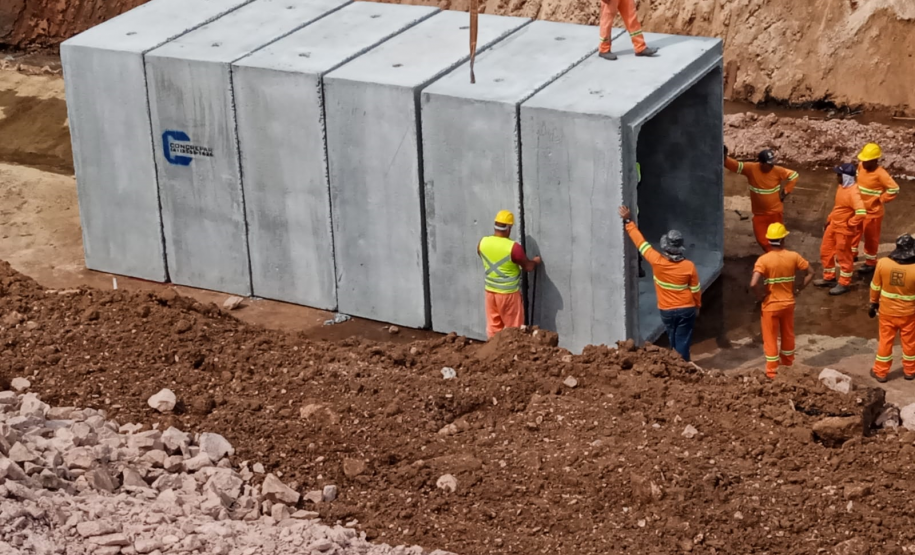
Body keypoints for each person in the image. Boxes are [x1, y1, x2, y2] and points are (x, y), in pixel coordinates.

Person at [618, 205, 700, 361]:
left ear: (665, 247)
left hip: (667, 310)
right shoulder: (689, 266)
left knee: (673, 338)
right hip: (686, 309)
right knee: (682, 340)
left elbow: (640, 242)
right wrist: (697, 306)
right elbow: (695, 289)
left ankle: (677, 363)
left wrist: (628, 220)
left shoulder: (656, 261)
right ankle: (683, 365)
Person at [749, 223, 814, 379]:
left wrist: (760, 297)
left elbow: (753, 283)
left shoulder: (764, 260)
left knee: (770, 338)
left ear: (769, 241)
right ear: (783, 238)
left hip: (770, 305)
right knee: (788, 334)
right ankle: (788, 366)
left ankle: (772, 373)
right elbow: (810, 273)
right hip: (788, 303)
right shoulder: (793, 256)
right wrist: (798, 289)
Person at [477, 210, 541, 339]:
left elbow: (483, 256)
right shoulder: (513, 247)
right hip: (508, 294)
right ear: (509, 228)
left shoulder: (482, 243)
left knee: (493, 328)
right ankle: (511, 356)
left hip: (490, 292)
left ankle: (493, 354)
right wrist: (535, 261)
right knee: (514, 329)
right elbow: (528, 267)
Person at [724, 146, 800, 253]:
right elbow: (736, 166)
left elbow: (794, 175)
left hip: (775, 212)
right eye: (769, 164)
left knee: (778, 238)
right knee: (762, 240)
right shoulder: (751, 169)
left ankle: (777, 258)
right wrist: (724, 158)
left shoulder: (777, 170)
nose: (771, 166)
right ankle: (773, 256)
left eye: (772, 163)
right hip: (759, 214)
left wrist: (785, 192)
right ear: (761, 163)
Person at [868, 234, 915, 383]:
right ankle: (910, 371)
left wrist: (873, 303)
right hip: (909, 314)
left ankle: (881, 372)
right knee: (910, 343)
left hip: (887, 312)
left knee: (885, 342)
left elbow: (875, 287)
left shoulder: (883, 263)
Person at [813, 163, 866, 296]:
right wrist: (829, 219)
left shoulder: (854, 193)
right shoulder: (842, 188)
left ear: (846, 176)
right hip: (834, 225)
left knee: (844, 256)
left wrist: (850, 223)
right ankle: (829, 277)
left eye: (839, 175)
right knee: (826, 251)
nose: (837, 177)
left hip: (843, 230)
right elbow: (838, 207)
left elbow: (861, 213)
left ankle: (844, 283)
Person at [851, 143, 900, 275]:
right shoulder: (861, 166)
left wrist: (881, 199)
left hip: (873, 213)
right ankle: (852, 254)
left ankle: (870, 263)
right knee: (854, 232)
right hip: (859, 209)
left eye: (867, 161)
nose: (863, 163)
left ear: (875, 160)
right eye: (863, 160)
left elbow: (894, 189)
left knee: (871, 238)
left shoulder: (881, 174)